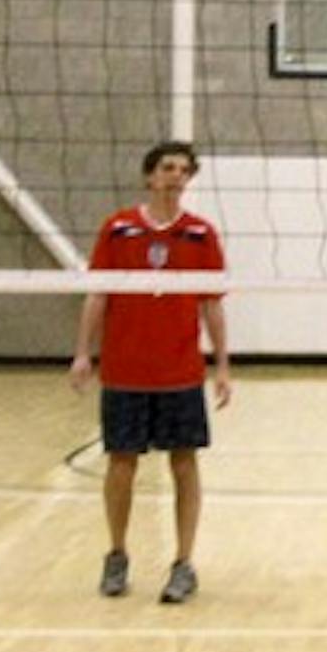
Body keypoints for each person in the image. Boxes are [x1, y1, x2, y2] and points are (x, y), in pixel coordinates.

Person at [68, 141, 232, 605]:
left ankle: (183, 563)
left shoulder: (200, 234)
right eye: (167, 167)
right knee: (122, 464)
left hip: (180, 371)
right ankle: (117, 555)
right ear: (149, 176)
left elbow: (212, 305)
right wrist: (83, 353)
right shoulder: (118, 229)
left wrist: (222, 365)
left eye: (183, 169)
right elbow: (97, 295)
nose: (176, 175)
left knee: (184, 464)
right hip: (125, 370)